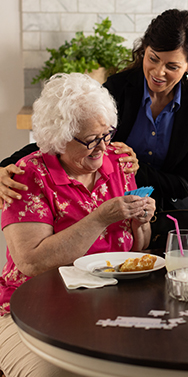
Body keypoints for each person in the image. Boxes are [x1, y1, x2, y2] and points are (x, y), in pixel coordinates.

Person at [0, 73, 156, 377]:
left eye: (106, 135)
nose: (101, 148)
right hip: (30, 311)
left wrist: (142, 221)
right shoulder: (27, 178)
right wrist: (100, 218)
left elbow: (137, 248)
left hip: (107, 308)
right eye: (89, 140)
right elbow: (31, 261)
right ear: (58, 137)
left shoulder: (119, 162)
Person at [0, 8, 188, 216]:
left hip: (181, 209)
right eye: (153, 58)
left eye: (172, 66)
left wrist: (135, 169)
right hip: (125, 206)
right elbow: (65, 136)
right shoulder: (119, 89)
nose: (158, 72)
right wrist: (5, 165)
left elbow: (183, 184)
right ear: (144, 49)